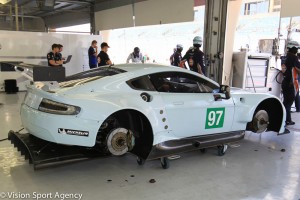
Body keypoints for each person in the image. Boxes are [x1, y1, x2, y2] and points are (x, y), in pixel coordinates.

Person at [281, 41, 300, 125]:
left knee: (285, 102)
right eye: (296, 49)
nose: (297, 51)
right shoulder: (294, 58)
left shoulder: (284, 57)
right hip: (291, 84)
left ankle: (284, 119)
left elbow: (284, 70)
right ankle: (286, 120)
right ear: (293, 49)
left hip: (285, 82)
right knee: (288, 103)